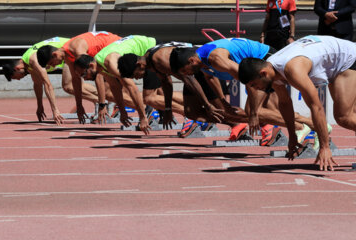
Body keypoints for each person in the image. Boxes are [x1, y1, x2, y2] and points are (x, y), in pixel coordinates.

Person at [238, 35, 356, 171]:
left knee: (344, 117)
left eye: (254, 84)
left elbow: (316, 107)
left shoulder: (293, 70)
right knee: (351, 116)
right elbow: (285, 103)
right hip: (335, 63)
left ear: (263, 73)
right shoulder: (272, 69)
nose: (255, 89)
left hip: (349, 58)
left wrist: (324, 147)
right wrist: (292, 137)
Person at [169, 38, 315, 145]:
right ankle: (305, 127)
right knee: (243, 112)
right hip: (253, 70)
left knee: (256, 110)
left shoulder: (216, 58)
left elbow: (248, 81)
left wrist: (253, 113)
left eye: (184, 71)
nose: (186, 75)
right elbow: (211, 78)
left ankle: (306, 126)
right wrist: (223, 102)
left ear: (191, 61)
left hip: (264, 62)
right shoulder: (202, 60)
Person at [117, 42, 247, 138]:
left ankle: (262, 122)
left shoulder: (159, 59)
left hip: (202, 69)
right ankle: (237, 124)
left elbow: (190, 79)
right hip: (193, 74)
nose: (137, 78)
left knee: (222, 110)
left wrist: (207, 105)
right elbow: (166, 82)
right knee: (191, 112)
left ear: (139, 65)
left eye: (134, 75)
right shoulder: (151, 59)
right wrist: (167, 109)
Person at [72, 35, 169, 135]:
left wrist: (142, 117)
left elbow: (132, 88)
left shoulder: (110, 63)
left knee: (150, 97)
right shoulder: (100, 65)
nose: (84, 78)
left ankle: (182, 112)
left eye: (84, 74)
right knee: (155, 91)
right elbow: (115, 87)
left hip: (152, 48)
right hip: (145, 50)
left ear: (91, 66)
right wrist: (122, 112)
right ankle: (165, 112)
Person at [36, 31, 122, 124]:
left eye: (52, 63)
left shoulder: (77, 51)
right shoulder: (68, 56)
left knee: (109, 90)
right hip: (105, 51)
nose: (54, 66)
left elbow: (98, 75)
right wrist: (79, 106)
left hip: (115, 44)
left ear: (55, 55)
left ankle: (123, 108)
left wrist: (102, 104)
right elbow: (76, 79)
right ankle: (120, 106)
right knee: (108, 90)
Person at [2, 37, 70, 125]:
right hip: (66, 55)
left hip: (70, 49)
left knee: (68, 86)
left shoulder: (33, 60)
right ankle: (93, 101)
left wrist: (55, 110)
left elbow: (47, 84)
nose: (18, 79)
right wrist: (40, 106)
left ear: (17, 68)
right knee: (69, 87)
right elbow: (37, 84)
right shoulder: (28, 64)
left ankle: (94, 101)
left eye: (16, 77)